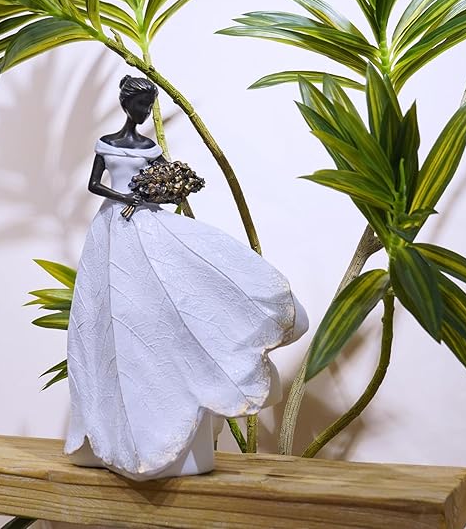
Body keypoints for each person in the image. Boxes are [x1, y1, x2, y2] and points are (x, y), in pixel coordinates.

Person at [64, 75, 308, 480]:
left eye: (149, 106)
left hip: (146, 224)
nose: (145, 112)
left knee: (171, 288)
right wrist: (126, 198)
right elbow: (94, 184)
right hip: (111, 227)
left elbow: (168, 182)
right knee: (107, 303)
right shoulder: (106, 144)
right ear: (127, 104)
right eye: (141, 105)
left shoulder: (150, 149)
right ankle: (112, 418)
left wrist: (161, 192)